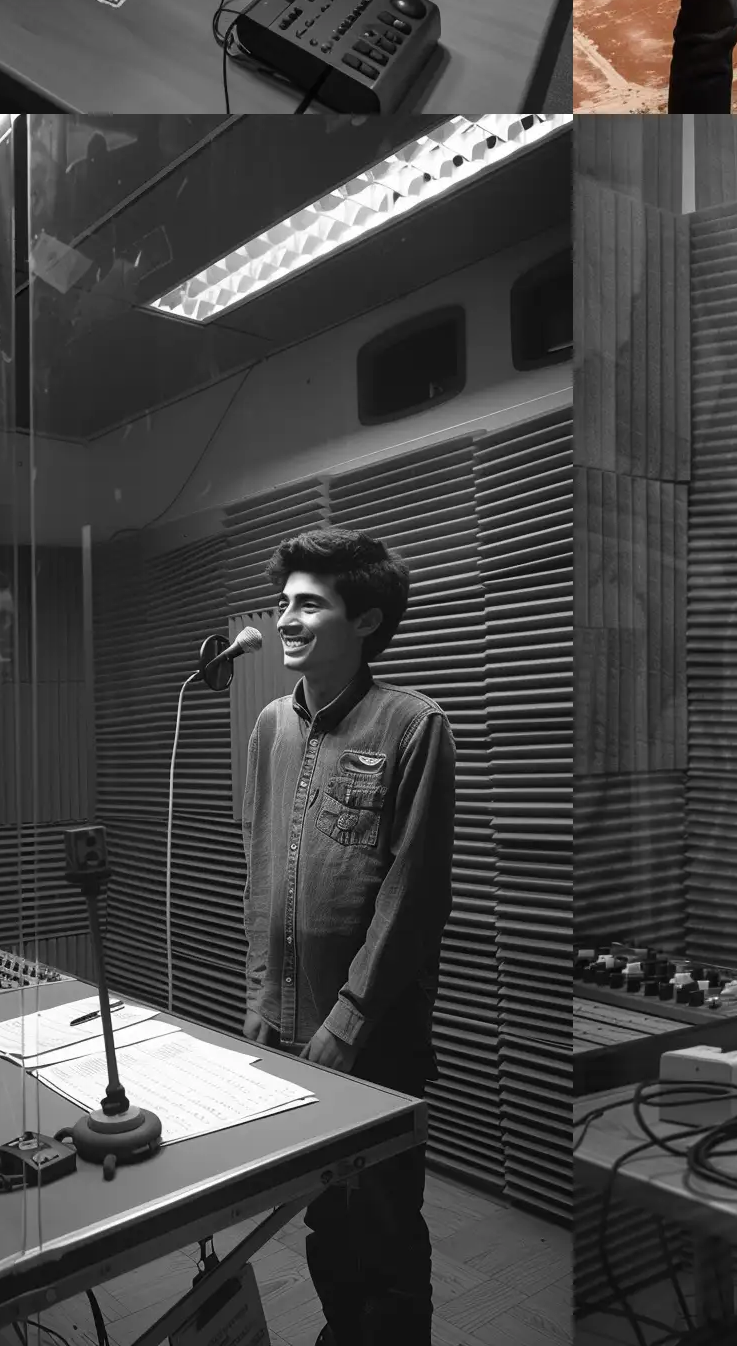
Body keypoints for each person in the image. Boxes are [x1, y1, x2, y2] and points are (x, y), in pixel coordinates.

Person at [241, 529, 454, 1346]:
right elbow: (260, 875)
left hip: (374, 1040)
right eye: (285, 602)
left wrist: (349, 1019)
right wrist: (261, 998)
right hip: (288, 1030)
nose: (287, 619)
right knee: (328, 1223)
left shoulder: (413, 726)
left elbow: (416, 896)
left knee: (388, 1233)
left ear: (365, 622)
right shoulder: (268, 726)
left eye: (310, 604)